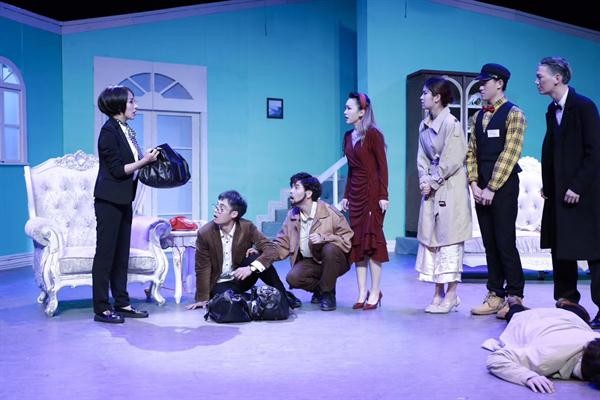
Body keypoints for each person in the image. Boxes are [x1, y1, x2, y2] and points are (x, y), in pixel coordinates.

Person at [535, 56, 600, 329]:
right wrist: (548, 185)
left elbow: (594, 152)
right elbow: (553, 150)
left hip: (584, 195)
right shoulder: (552, 110)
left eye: (540, 76)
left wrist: (577, 186)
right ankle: (567, 303)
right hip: (559, 195)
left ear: (557, 78)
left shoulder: (584, 107)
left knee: (594, 253)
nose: (537, 81)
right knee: (561, 249)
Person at [92, 85, 159, 323]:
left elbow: (131, 164)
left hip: (123, 199)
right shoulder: (108, 132)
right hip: (108, 200)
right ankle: (101, 308)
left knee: (121, 255)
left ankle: (122, 303)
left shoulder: (126, 130)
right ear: (118, 105)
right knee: (106, 255)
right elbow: (118, 170)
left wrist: (146, 158)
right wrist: (144, 161)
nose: (135, 106)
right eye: (131, 101)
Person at [466, 63, 527, 318]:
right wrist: (474, 184)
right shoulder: (478, 117)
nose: (481, 87)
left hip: (503, 187)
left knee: (504, 242)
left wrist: (491, 187)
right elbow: (471, 152)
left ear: (499, 83)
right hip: (481, 188)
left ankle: (514, 296)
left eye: (485, 82)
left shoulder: (514, 114)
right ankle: (495, 294)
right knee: (489, 243)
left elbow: (510, 154)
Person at [186, 190, 301, 310]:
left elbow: (271, 249)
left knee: (256, 258)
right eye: (217, 206)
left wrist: (251, 268)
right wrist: (202, 299)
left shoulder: (247, 227)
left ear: (234, 214)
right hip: (220, 283)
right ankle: (253, 299)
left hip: (241, 277)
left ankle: (283, 297)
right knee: (226, 302)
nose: (216, 210)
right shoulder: (205, 233)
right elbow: (202, 268)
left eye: (222, 208)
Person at [415, 77, 472, 313]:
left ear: (437, 97)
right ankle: (437, 293)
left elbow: (453, 159)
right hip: (432, 188)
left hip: (450, 188)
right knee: (432, 239)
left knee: (449, 240)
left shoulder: (451, 124)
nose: (421, 97)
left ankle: (451, 294)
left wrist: (433, 180)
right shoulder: (424, 125)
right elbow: (422, 157)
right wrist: (424, 179)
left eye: (425, 93)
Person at [273, 173, 353, 311]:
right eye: (291, 187)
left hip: (335, 260)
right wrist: (262, 250)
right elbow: (282, 243)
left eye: (296, 187)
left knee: (329, 249)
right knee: (293, 278)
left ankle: (328, 294)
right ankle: (322, 289)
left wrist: (324, 238)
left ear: (309, 193)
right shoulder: (292, 215)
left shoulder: (329, 212)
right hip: (311, 262)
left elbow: (347, 238)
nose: (291, 191)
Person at [484, 300, 600, 393]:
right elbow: (496, 359)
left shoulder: (596, 339)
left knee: (577, 318)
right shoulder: (546, 357)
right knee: (515, 315)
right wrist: (528, 376)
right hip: (531, 321)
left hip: (570, 318)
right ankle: (515, 303)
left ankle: (565, 304)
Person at [341, 92, 389, 310]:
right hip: (355, 195)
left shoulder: (373, 135)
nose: (345, 112)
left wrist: (383, 196)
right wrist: (346, 195)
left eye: (349, 108)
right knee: (358, 245)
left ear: (362, 112)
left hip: (372, 195)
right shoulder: (347, 137)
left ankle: (375, 291)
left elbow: (382, 168)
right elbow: (351, 170)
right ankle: (362, 291)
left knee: (372, 244)